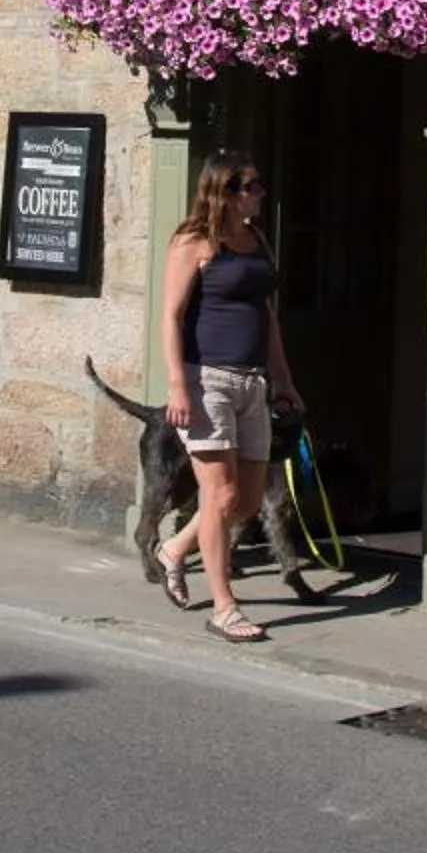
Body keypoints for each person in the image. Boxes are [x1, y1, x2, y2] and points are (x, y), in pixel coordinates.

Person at [153, 151, 301, 643]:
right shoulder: (193, 241)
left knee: (247, 499)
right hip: (206, 380)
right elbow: (171, 316)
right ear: (225, 190)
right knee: (221, 496)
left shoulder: (256, 238)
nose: (261, 193)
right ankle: (224, 606)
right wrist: (177, 384)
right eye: (252, 186)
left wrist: (283, 380)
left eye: (260, 185)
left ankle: (174, 548)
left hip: (251, 381)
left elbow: (267, 317)